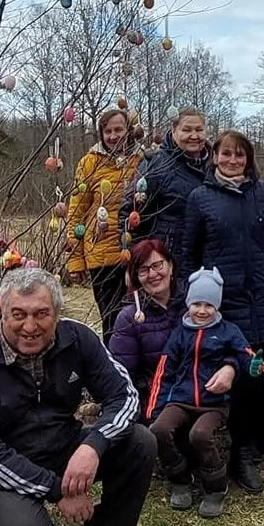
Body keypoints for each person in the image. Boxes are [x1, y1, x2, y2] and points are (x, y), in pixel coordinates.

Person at [0, 267, 156, 526]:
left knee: (140, 442)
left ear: (57, 314)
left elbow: (125, 396)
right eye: (18, 314)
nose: (29, 326)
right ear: (1, 312)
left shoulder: (78, 338)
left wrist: (94, 445)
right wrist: (57, 489)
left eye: (42, 314)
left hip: (61, 445)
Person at [183, 130, 264, 493]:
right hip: (225, 302)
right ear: (215, 157)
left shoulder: (262, 194)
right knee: (242, 376)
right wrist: (201, 292)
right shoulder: (201, 198)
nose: (233, 161)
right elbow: (190, 252)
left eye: (240, 155)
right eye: (226, 154)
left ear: (248, 159)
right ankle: (242, 453)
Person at [147, 267, 262, 519]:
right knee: (158, 430)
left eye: (208, 305)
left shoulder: (228, 330)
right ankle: (180, 478)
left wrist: (252, 365)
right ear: (188, 303)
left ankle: (216, 486)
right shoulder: (180, 333)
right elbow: (164, 370)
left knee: (200, 434)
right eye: (196, 303)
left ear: (217, 306)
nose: (202, 310)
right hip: (180, 399)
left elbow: (245, 354)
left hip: (214, 404)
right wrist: (155, 408)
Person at [65, 107, 143, 344]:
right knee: (112, 322)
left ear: (129, 131)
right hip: (101, 254)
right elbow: (77, 210)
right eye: (107, 131)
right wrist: (75, 260)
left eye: (118, 129)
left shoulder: (143, 159)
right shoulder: (90, 163)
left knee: (141, 319)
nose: (113, 136)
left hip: (137, 251)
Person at [120, 106, 210, 264]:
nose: (194, 136)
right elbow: (131, 215)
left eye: (199, 130)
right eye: (187, 130)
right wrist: (136, 261)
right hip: (167, 262)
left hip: (208, 260)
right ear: (174, 130)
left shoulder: (217, 164)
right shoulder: (156, 165)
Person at [109, 238, 183, 421]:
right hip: (153, 402)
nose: (153, 274)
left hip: (193, 394)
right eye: (143, 270)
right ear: (136, 277)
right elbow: (122, 375)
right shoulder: (129, 318)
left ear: (171, 266)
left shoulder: (193, 305)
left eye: (158, 265)